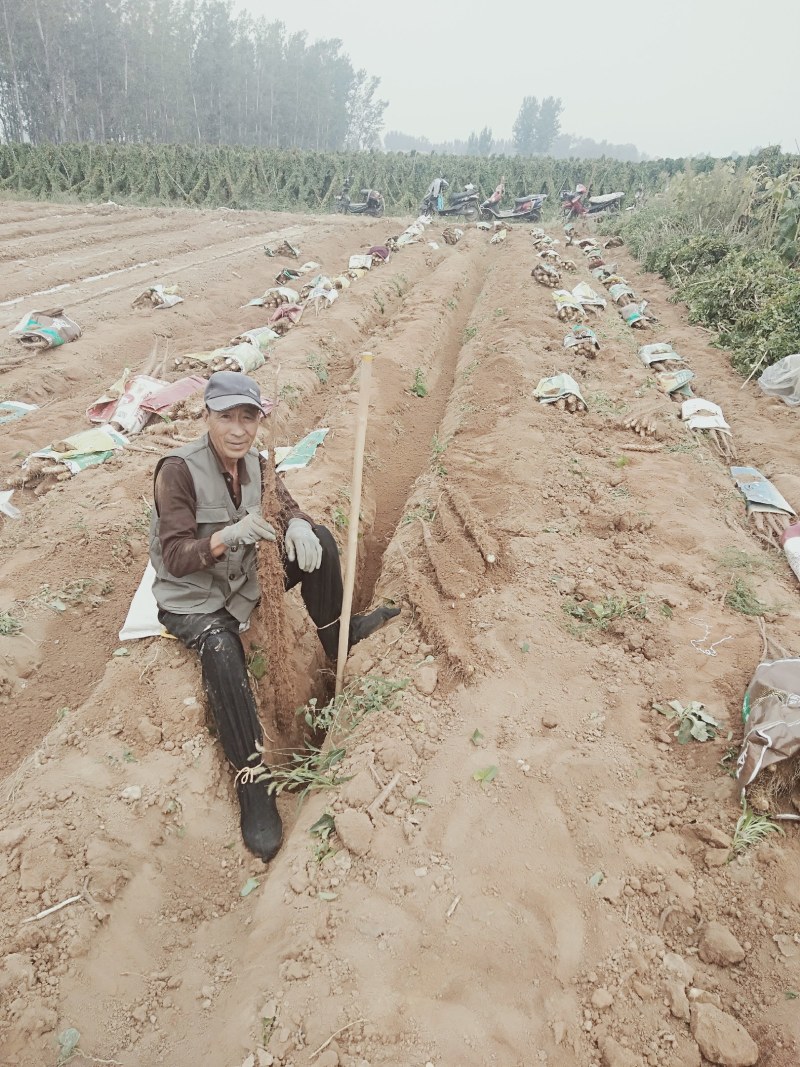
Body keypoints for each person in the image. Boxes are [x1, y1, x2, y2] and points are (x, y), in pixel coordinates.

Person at [149, 371, 400, 862]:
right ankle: (254, 786)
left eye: (249, 417)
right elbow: (175, 556)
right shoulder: (177, 471)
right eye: (227, 417)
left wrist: (301, 526)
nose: (239, 429)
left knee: (322, 541)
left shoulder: (258, 465)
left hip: (241, 583)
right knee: (221, 650)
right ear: (208, 416)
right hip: (194, 597)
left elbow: (288, 507)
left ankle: (338, 641)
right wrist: (228, 535)